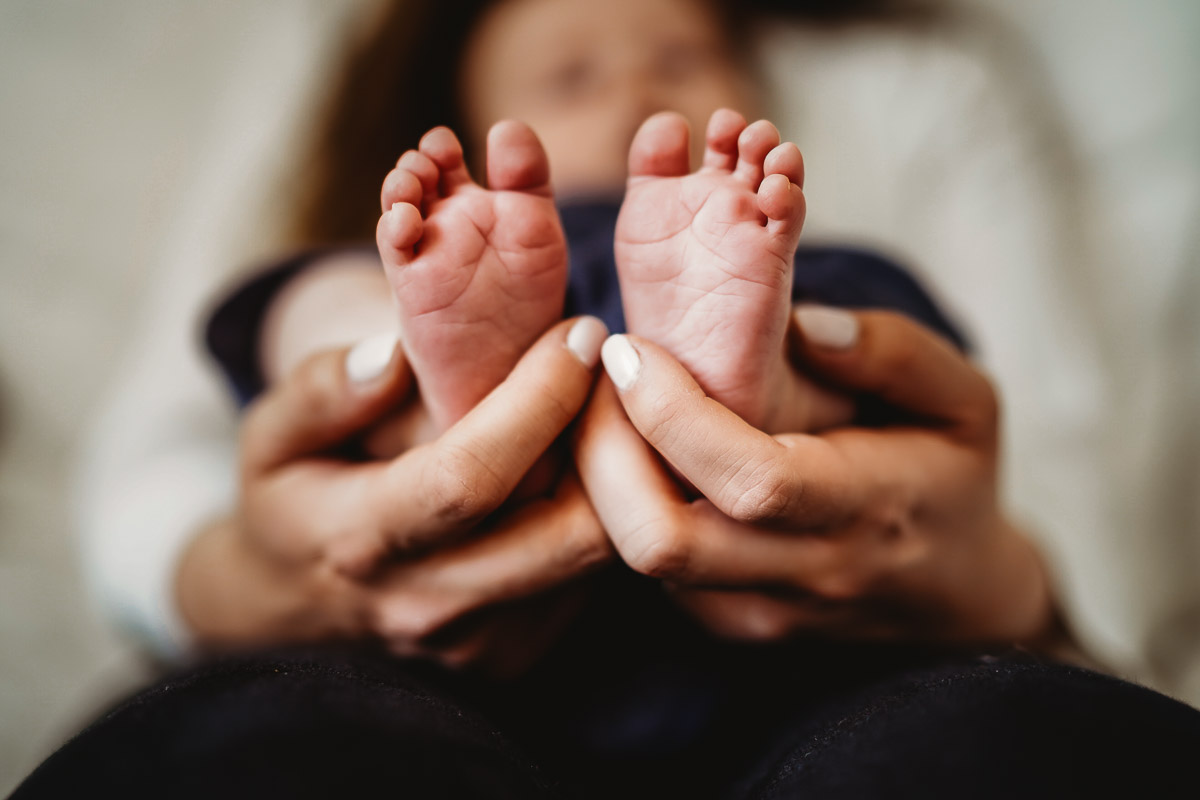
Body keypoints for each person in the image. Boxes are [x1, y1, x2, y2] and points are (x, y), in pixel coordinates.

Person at [39, 0, 1198, 796]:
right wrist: (371, 320)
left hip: (814, 647)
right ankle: (432, 394)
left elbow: (1050, 457)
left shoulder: (791, 207)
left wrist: (998, 565)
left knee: (844, 307)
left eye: (687, 56)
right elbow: (175, 437)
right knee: (321, 296)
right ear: (464, 124)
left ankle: (757, 386)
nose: (643, 78)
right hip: (428, 645)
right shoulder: (453, 213)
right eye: (573, 75)